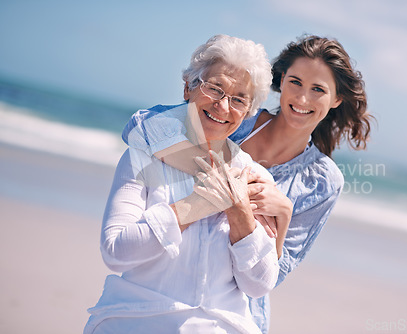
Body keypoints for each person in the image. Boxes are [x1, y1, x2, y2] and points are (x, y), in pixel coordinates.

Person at [122, 35, 374, 333]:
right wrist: (224, 183)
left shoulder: (323, 181)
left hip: (237, 318)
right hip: (169, 291)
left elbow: (271, 277)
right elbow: (142, 125)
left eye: (318, 89)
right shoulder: (237, 118)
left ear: (336, 100)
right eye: (295, 82)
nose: (302, 99)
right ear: (281, 81)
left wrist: (284, 215)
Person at [84, 35, 280, 334]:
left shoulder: (252, 176)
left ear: (249, 111)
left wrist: (240, 213)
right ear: (189, 86)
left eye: (239, 99)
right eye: (214, 88)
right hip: (137, 322)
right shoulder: (144, 155)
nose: (223, 105)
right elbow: (116, 252)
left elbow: (260, 283)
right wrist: (198, 205)